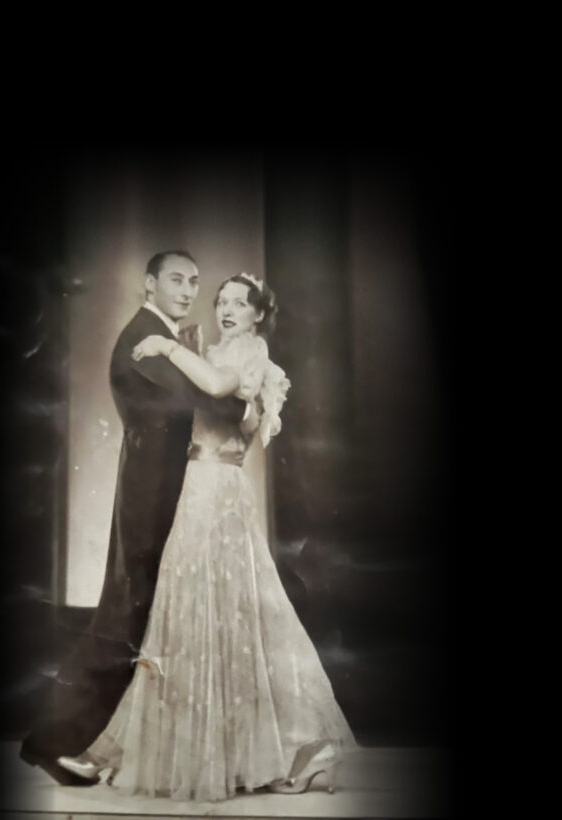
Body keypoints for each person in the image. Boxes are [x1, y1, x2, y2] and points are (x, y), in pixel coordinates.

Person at [57, 273, 357, 801]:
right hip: (200, 483)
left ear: (258, 314)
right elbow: (215, 402)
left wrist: (169, 346)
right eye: (221, 300)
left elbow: (218, 390)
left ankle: (295, 749)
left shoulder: (251, 350)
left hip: (218, 488)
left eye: (239, 303)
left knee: (225, 611)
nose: (226, 308)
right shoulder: (216, 350)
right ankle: (186, 750)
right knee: (190, 611)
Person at [20, 251, 249, 778]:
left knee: (146, 624)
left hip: (170, 494)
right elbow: (208, 405)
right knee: (123, 621)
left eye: (195, 281)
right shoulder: (144, 338)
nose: (189, 290)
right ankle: (54, 741)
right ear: (149, 285)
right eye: (176, 280)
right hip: (151, 499)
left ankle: (147, 749)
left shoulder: (164, 337)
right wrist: (243, 390)